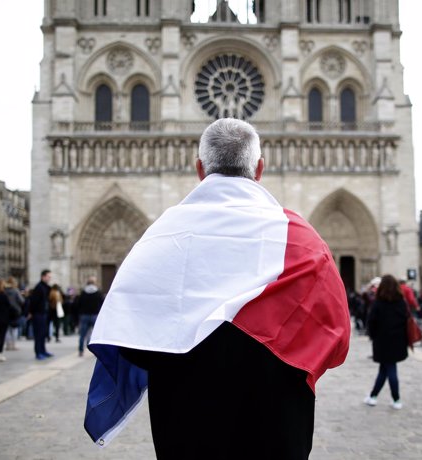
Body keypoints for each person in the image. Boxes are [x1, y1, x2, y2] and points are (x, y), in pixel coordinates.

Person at [84, 118, 351, 458]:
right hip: (277, 427)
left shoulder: (162, 237)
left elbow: (131, 342)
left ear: (200, 168)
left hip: (186, 428)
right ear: (259, 168)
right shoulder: (302, 239)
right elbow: (335, 336)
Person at [363, 274, 408, 410]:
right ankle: (373, 396)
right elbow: (405, 320)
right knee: (385, 369)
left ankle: (396, 398)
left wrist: (373, 336)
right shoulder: (401, 302)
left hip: (382, 341)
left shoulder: (378, 303)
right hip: (398, 340)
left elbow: (371, 323)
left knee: (390, 368)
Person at [76, 276, 104, 357]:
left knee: (82, 334)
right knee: (96, 335)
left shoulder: (83, 293)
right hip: (94, 315)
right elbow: (102, 304)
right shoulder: (98, 293)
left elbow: (79, 304)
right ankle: (96, 351)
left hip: (84, 315)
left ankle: (81, 350)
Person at [28, 270, 53, 360]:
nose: (50, 278)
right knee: (38, 334)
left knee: (43, 334)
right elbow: (34, 302)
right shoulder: (39, 287)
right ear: (43, 277)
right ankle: (38, 352)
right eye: (48, 276)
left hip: (44, 313)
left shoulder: (45, 287)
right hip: (38, 314)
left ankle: (43, 350)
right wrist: (32, 312)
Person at [4, 277, 25, 351]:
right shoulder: (16, 291)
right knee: (15, 329)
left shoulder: (4, 291)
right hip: (15, 312)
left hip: (5, 311)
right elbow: (22, 301)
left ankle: (8, 345)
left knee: (7, 329)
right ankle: (13, 345)